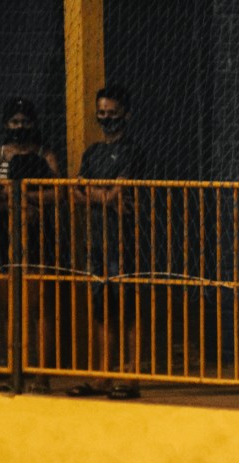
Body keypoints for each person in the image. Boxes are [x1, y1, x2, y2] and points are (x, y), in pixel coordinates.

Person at [68, 84, 146, 400]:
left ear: (126, 114)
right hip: (96, 240)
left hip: (124, 239)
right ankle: (103, 373)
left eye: (112, 113)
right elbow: (76, 191)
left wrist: (94, 193)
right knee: (101, 307)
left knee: (127, 306)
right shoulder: (92, 153)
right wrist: (103, 196)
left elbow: (119, 192)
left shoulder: (133, 152)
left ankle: (131, 374)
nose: (106, 118)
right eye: (101, 113)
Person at [0, 97, 60, 393]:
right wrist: (17, 202)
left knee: (40, 304)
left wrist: (22, 197)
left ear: (34, 124)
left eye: (25, 122)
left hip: (39, 236)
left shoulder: (44, 155)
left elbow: (57, 192)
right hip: (4, 236)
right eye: (14, 122)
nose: (19, 127)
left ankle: (41, 374)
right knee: (7, 306)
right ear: (6, 124)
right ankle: (11, 369)